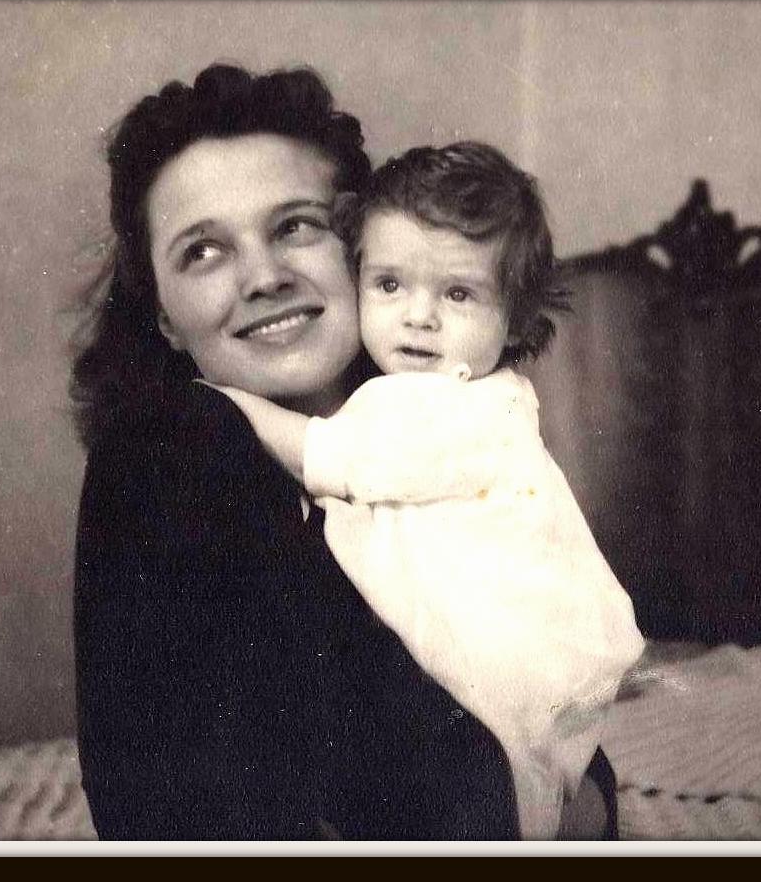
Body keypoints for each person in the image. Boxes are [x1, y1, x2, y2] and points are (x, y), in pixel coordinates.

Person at [71, 64, 620, 841]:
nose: (264, 277)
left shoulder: (442, 432)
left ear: (365, 248)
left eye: (295, 226)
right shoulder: (161, 461)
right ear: (163, 317)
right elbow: (163, 807)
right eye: (203, 251)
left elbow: (551, 723)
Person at [207, 142, 645, 840]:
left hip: (502, 672)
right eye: (388, 284)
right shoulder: (428, 396)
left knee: (498, 794)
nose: (418, 316)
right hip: (466, 688)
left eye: (457, 294)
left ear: (515, 320)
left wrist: (227, 405)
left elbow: (326, 454)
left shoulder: (458, 408)